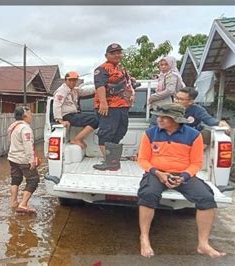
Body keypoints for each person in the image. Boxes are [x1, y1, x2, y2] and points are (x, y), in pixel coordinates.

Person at [137, 103, 225, 258]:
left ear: (176, 120)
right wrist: (158, 173)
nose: (160, 119)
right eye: (159, 116)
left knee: (206, 198)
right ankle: (144, 238)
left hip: (183, 174)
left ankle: (203, 243)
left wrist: (183, 177)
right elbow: (143, 160)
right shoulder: (150, 133)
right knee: (148, 194)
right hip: (157, 172)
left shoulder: (193, 135)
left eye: (165, 117)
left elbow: (196, 163)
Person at [93, 43, 136, 171]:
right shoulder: (102, 69)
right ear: (106, 55)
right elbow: (99, 86)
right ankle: (108, 161)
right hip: (109, 106)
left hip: (122, 105)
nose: (117, 55)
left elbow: (127, 82)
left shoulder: (121, 68)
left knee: (121, 131)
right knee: (106, 133)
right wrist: (103, 103)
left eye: (119, 52)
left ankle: (113, 159)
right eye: (113, 53)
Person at [53, 71, 99, 149]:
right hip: (67, 116)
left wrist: (99, 87)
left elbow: (85, 91)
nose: (72, 82)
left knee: (95, 119)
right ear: (65, 80)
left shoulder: (73, 90)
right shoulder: (62, 90)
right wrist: (60, 120)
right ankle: (77, 139)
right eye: (70, 80)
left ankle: (78, 138)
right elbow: (56, 105)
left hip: (73, 115)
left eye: (74, 80)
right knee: (94, 120)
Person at [7, 106, 40, 214]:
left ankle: (13, 202)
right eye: (30, 114)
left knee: (15, 179)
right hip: (23, 159)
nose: (31, 116)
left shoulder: (12, 126)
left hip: (12, 158)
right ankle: (23, 204)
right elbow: (28, 145)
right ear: (24, 116)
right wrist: (31, 161)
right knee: (33, 180)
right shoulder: (25, 128)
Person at [148, 56, 185, 125]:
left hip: (166, 108)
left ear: (171, 64)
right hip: (161, 107)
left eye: (166, 64)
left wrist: (153, 97)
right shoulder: (163, 75)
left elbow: (170, 90)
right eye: (161, 65)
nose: (163, 67)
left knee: (156, 129)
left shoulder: (172, 75)